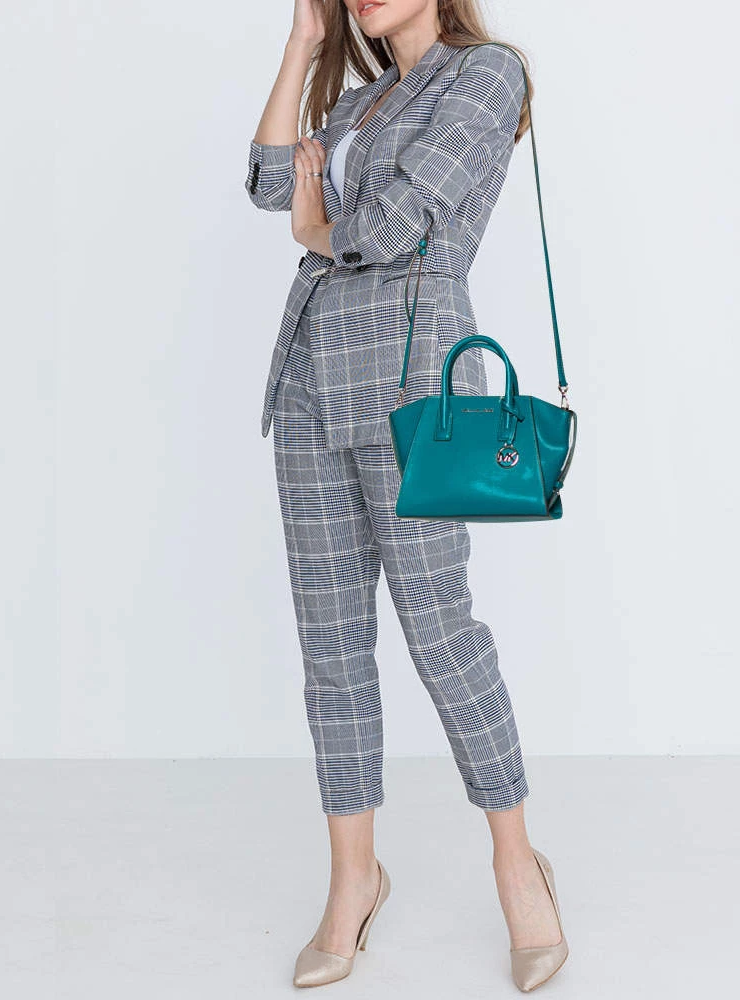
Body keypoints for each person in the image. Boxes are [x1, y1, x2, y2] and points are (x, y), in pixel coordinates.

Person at [244, 0, 569, 990]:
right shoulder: (358, 103)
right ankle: (354, 878)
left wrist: (315, 226)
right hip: (310, 383)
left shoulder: (486, 74)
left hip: (413, 389)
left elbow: (393, 225)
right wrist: (303, 43)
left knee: (439, 630)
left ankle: (516, 864)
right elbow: (266, 181)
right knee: (331, 645)